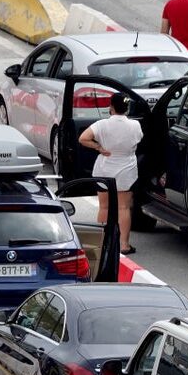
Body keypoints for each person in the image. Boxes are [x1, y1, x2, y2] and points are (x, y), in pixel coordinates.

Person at [79, 93, 141, 255]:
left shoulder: (101, 125)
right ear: (127, 108)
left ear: (111, 107)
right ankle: (124, 245)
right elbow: (138, 141)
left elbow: (83, 138)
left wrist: (99, 148)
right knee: (124, 207)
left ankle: (102, 243)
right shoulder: (135, 125)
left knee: (104, 207)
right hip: (126, 169)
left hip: (104, 168)